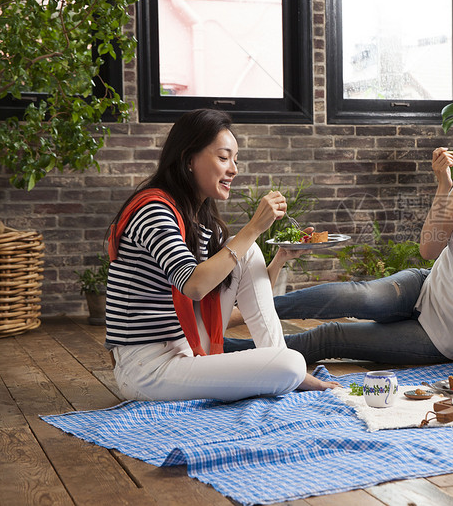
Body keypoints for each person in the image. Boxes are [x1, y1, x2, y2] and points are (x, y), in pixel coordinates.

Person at [228, 129, 453, 368]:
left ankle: (229, 352)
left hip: (447, 335)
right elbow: (429, 249)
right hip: (425, 286)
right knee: (351, 296)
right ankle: (250, 310)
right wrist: (444, 184)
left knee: (330, 337)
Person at [104, 109, 339, 401]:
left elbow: (244, 304)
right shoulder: (153, 210)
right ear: (189, 159)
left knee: (249, 252)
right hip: (147, 368)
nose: (234, 169)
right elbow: (195, 286)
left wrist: (278, 260)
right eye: (223, 157)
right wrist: (253, 228)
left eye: (235, 160)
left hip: (185, 345)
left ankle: (280, 362)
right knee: (290, 363)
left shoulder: (197, 219)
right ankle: (284, 366)